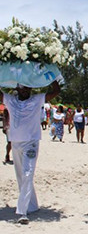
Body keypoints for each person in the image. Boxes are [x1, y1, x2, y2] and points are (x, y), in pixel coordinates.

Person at [0, 81, 60, 224]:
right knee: (21, 175)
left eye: (28, 87)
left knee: (28, 173)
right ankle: (32, 205)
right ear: (17, 88)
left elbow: (56, 91)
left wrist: (51, 76)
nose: (25, 90)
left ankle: (22, 212)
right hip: (15, 142)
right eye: (22, 87)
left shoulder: (37, 99)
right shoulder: (10, 100)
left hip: (31, 142)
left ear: (31, 87)